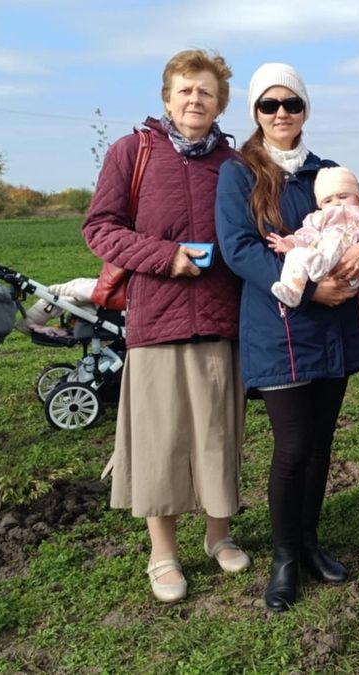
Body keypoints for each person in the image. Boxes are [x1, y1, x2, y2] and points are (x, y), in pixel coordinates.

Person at [216, 63, 359, 612]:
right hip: (280, 324)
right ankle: (284, 557)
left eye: (292, 104)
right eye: (270, 105)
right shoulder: (239, 173)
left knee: (320, 444)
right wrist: (310, 292)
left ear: (305, 110)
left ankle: (310, 542)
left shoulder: (329, 171)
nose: (282, 114)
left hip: (331, 333)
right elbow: (239, 248)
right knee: (292, 447)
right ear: (256, 114)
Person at [82, 48, 247, 604]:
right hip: (156, 320)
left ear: (220, 101)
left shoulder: (237, 163)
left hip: (222, 320)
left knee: (217, 434)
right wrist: (165, 256)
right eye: (185, 89)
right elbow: (100, 229)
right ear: (167, 98)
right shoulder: (134, 152)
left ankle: (219, 536)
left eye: (206, 91)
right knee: (162, 441)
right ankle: (163, 554)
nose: (195, 98)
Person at [267, 166, 359, 307]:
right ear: (320, 205)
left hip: (350, 267)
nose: (336, 202)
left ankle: (317, 269)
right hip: (320, 256)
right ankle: (293, 291)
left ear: (358, 199)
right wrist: (291, 243)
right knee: (295, 255)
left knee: (332, 247)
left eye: (343, 196)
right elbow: (307, 235)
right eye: (328, 201)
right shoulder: (318, 218)